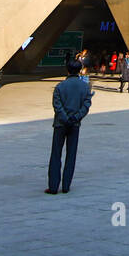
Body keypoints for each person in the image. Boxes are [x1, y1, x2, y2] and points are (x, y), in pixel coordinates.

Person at [47, 58, 93, 194]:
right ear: (79, 70)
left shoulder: (60, 86)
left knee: (56, 154)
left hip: (60, 124)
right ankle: (66, 185)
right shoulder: (85, 87)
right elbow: (86, 105)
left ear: (67, 70)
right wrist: (75, 117)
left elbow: (57, 105)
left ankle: (53, 186)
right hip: (75, 124)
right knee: (71, 155)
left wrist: (65, 118)